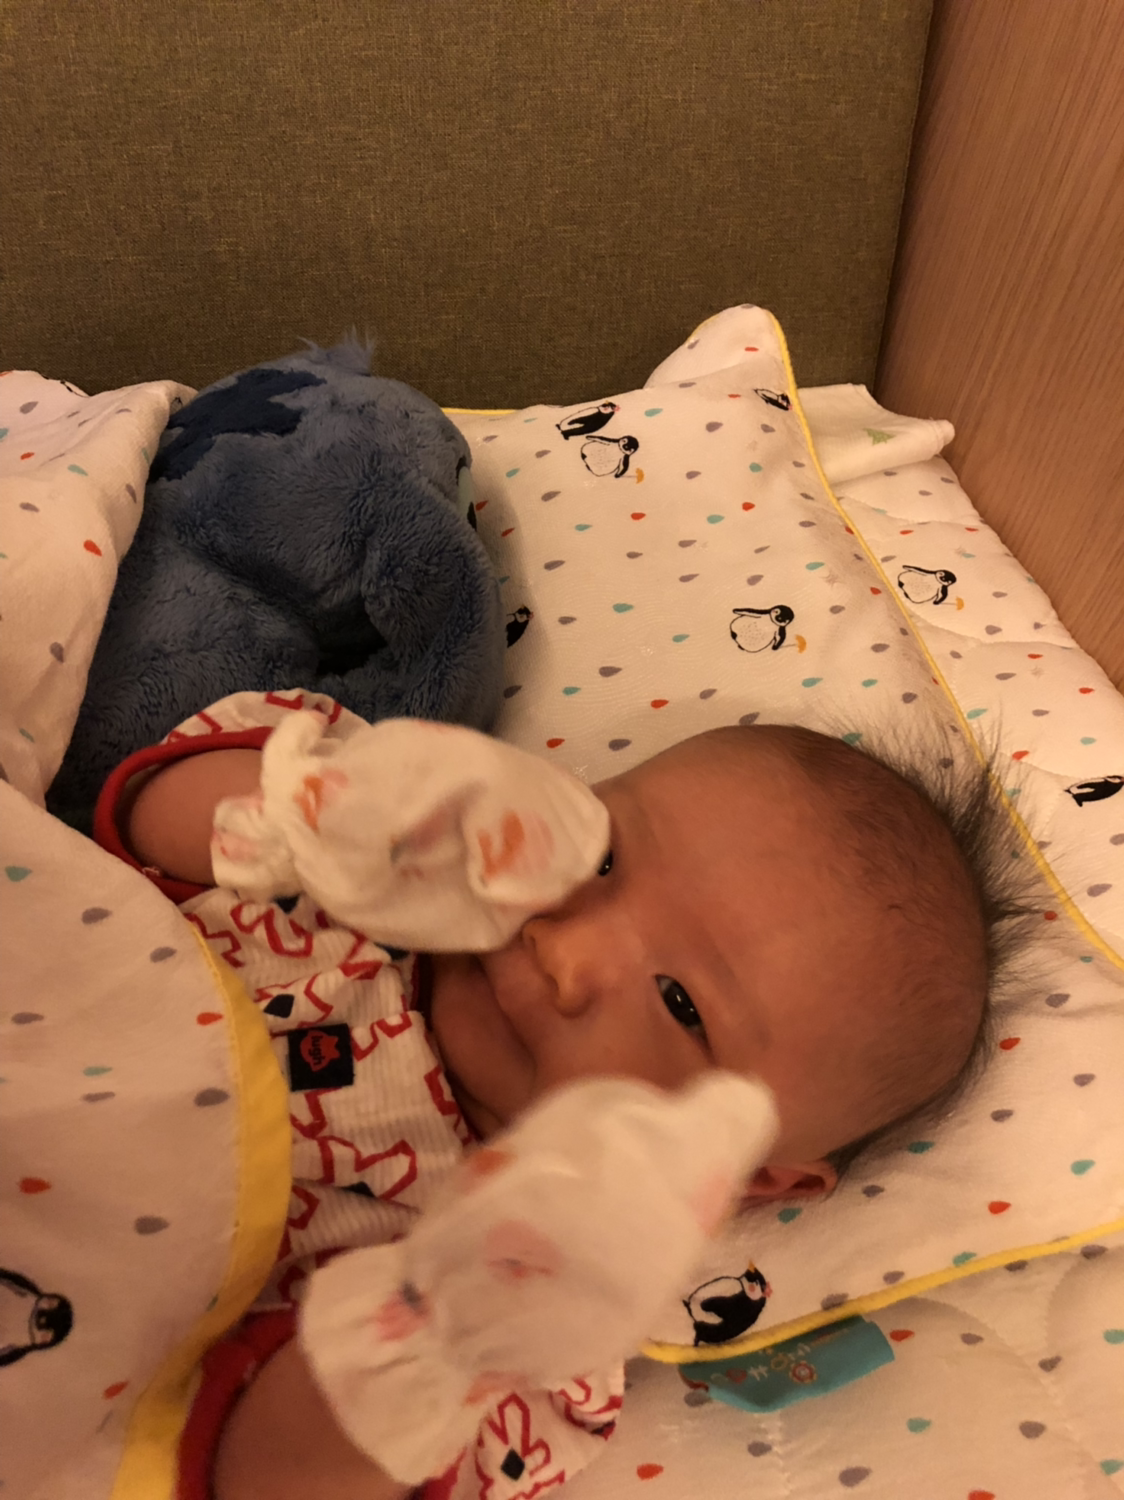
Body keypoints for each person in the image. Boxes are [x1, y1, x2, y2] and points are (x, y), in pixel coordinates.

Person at [95, 690, 1013, 1500]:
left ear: (749, 1176)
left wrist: (437, 1331)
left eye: (681, 1003)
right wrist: (311, 813)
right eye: (604, 855)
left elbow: (253, 1480)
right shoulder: (391, 853)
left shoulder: (539, 1332)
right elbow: (136, 820)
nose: (565, 949)